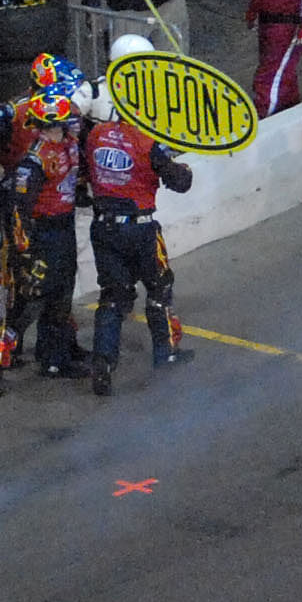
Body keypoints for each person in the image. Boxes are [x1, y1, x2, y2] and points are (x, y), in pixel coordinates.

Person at [78, 37, 193, 397]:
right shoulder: (147, 143)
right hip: (141, 229)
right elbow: (181, 183)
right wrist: (180, 167)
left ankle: (103, 361)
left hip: (103, 226)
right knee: (158, 289)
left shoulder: (95, 135)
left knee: (112, 297)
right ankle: (164, 353)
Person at [0, 90, 87, 383]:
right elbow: (18, 210)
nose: (73, 119)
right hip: (41, 234)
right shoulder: (34, 160)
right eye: (66, 116)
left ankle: (54, 360)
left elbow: (74, 182)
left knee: (61, 297)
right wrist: (26, 252)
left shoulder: (70, 144)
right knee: (31, 301)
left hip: (64, 228)